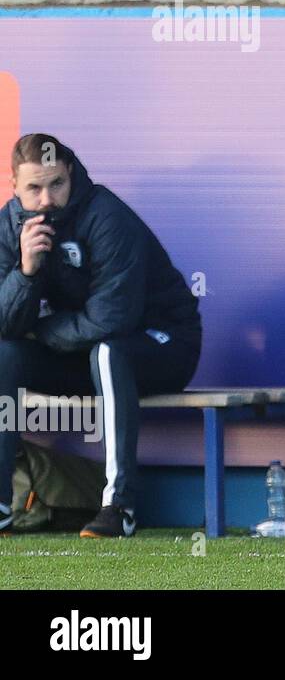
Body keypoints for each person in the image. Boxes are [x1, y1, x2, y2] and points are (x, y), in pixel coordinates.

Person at [0, 134, 202, 537]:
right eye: (33, 189)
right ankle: (2, 507)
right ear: (14, 186)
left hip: (163, 344)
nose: (46, 199)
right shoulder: (11, 224)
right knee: (4, 354)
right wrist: (26, 272)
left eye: (56, 184)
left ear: (70, 174)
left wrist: (39, 330)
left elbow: (111, 319)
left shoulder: (106, 215)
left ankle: (119, 505)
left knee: (109, 351)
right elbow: (6, 325)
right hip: (84, 350)